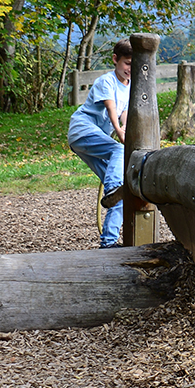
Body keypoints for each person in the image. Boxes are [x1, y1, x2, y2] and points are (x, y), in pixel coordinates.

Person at [67, 38, 131, 249]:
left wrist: (127, 131)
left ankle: (108, 242)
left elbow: (124, 114)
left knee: (122, 195)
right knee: (118, 152)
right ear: (115, 59)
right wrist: (121, 134)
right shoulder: (107, 81)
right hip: (82, 130)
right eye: (127, 63)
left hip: (91, 139)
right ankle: (112, 190)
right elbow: (112, 109)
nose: (130, 69)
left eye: (134, 65)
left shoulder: (129, 87)